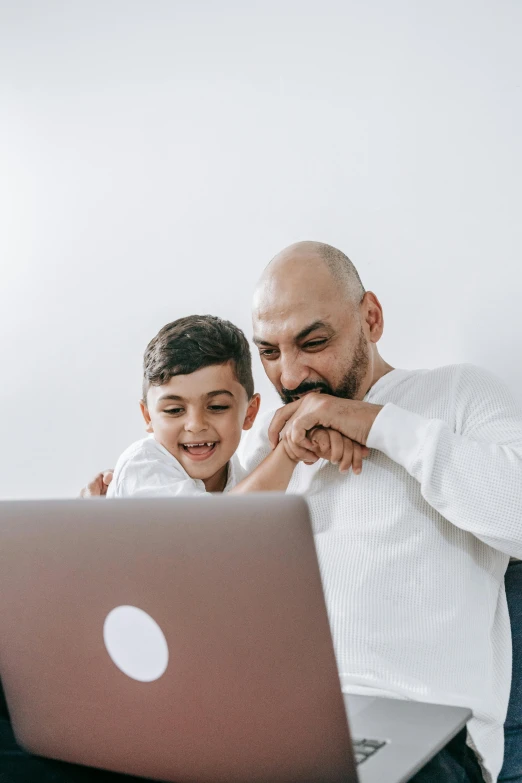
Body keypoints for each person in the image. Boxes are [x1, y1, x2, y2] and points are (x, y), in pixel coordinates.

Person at [6, 241, 522, 783]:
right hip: (261, 725)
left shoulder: (458, 394)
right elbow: (192, 571)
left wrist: (374, 423)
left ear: (370, 317)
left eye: (313, 342)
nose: (293, 377)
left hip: (415, 733)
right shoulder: (266, 446)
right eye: (270, 353)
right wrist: (99, 535)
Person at [107, 314, 365, 498]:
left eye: (217, 406)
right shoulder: (143, 465)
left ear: (249, 412)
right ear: (147, 416)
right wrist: (288, 452)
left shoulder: (238, 477)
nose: (196, 425)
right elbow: (223, 530)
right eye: (174, 410)